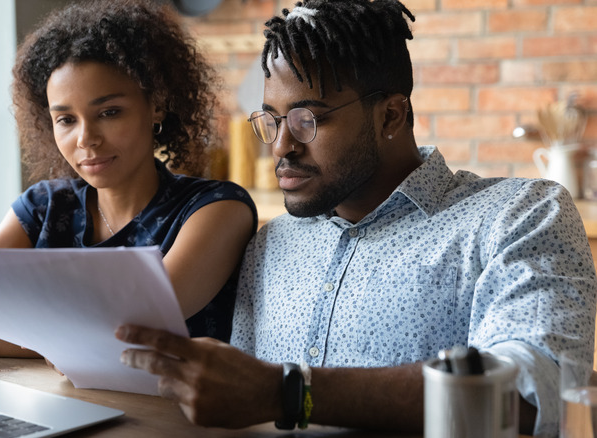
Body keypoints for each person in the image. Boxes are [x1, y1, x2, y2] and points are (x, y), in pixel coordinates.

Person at [115, 0, 597, 436]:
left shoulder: (518, 215)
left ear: (390, 116)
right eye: (271, 120)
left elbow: (536, 395)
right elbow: (238, 401)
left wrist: (288, 392)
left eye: (307, 119)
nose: (281, 146)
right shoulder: (271, 243)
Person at [0, 0, 256, 357]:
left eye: (109, 112)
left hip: (169, 411)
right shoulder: (44, 207)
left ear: (156, 104)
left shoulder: (216, 209)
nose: (85, 139)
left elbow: (128, 330)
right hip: (56, 401)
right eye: (66, 120)